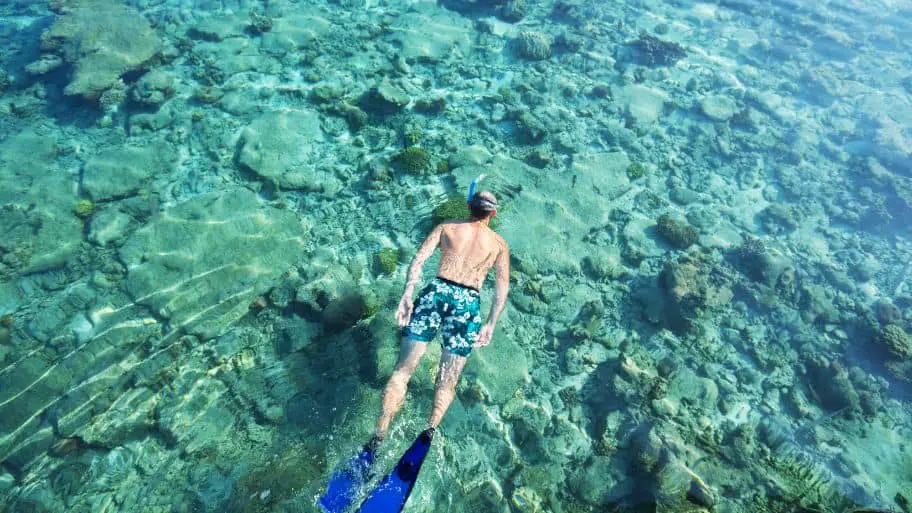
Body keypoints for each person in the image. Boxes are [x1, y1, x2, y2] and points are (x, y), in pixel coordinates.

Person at [372, 177, 510, 445]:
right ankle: (428, 432)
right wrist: (491, 322)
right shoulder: (499, 245)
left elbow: (418, 260)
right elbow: (501, 288)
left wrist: (408, 293)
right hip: (467, 303)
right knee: (446, 382)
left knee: (402, 371)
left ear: (469, 206)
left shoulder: (446, 227)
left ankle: (379, 433)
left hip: (436, 293)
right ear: (493, 213)